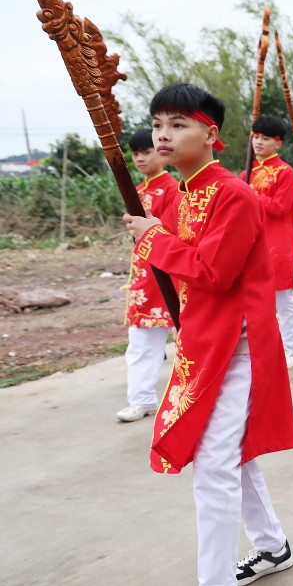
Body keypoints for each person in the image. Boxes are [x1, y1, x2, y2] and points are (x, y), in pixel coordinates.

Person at [124, 82, 293, 586]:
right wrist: (153, 230)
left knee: (214, 463)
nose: (163, 135)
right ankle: (271, 546)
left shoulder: (234, 195)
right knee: (225, 455)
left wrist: (154, 240)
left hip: (237, 346)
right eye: (158, 125)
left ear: (211, 134)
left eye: (178, 124)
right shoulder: (180, 194)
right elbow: (175, 264)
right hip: (202, 340)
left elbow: (214, 271)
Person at [117, 128, 181, 422]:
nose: (141, 158)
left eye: (147, 151)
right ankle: (142, 397)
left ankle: (150, 397)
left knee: (163, 337)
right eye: (136, 153)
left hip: (164, 271)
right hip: (142, 274)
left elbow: (172, 231)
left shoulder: (173, 188)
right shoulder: (138, 190)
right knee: (142, 338)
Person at [241, 115, 293, 368]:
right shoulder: (246, 172)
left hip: (277, 243)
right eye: (256, 137)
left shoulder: (285, 172)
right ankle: (262, 349)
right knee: (255, 301)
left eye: (266, 138)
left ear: (278, 144)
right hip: (250, 243)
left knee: (283, 298)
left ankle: (290, 348)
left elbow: (279, 207)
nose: (259, 142)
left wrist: (251, 195)